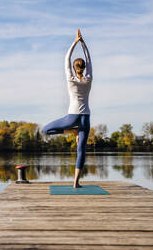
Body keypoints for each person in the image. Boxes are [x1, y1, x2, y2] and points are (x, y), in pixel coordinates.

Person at [42, 29, 92, 188]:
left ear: (74, 67)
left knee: (45, 130)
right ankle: (76, 182)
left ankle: (72, 131)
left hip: (72, 117)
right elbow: (89, 59)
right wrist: (83, 43)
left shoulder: (71, 80)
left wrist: (75, 42)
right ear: (84, 68)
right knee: (81, 150)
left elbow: (66, 58)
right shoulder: (89, 79)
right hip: (86, 117)